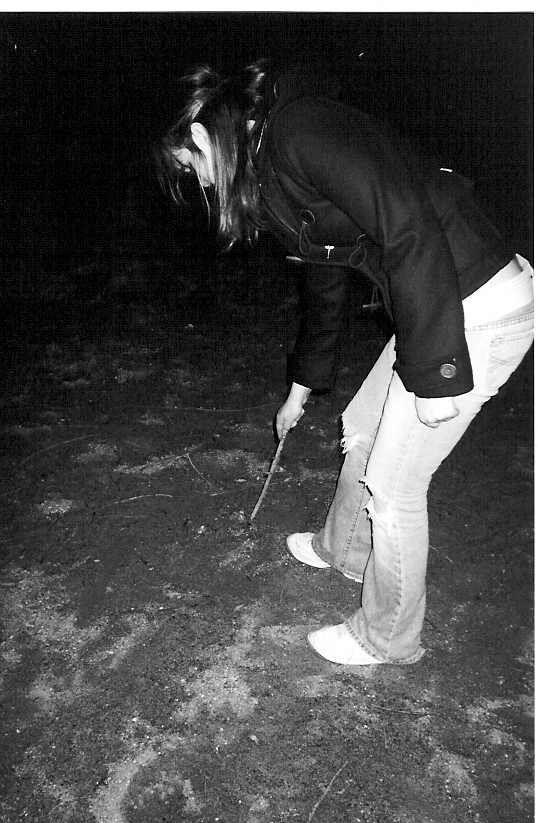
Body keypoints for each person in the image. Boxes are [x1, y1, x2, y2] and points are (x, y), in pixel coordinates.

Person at [155, 61, 534, 665]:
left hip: (475, 304)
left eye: (190, 167)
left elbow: (407, 222)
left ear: (201, 136)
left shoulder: (299, 130)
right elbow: (326, 279)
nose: (200, 182)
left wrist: (438, 372)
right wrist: (301, 387)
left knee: (395, 485)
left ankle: (388, 637)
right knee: (361, 427)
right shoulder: (271, 169)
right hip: (439, 301)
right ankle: (347, 551)